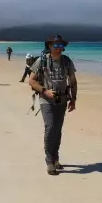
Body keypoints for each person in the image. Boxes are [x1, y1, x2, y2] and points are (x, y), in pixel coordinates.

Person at [28, 35, 77, 175]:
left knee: (57, 129)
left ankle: (55, 157)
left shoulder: (67, 61)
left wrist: (74, 99)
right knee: (50, 127)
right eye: (56, 46)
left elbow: (73, 81)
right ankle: (49, 161)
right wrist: (45, 91)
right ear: (49, 46)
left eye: (61, 46)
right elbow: (31, 81)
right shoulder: (42, 61)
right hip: (46, 99)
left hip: (61, 98)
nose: (59, 49)